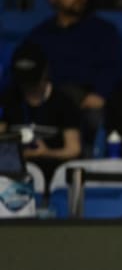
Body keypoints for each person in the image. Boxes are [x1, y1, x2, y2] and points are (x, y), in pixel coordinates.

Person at [26, 0, 122, 148]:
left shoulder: (104, 31)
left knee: (97, 117)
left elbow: (112, 69)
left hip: (87, 103)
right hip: (50, 103)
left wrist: (100, 94)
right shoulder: (39, 36)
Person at [0, 42, 81, 182]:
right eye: (23, 81)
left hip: (54, 174)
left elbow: (74, 148)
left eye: (32, 80)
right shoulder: (8, 99)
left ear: (45, 72)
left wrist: (46, 153)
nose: (28, 86)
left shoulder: (64, 102)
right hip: (12, 175)